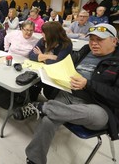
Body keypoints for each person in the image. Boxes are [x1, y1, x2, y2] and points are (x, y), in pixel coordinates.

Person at [21, 23, 119, 164]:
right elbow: (64, 64)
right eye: (91, 39)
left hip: (97, 106)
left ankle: (43, 107)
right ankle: (35, 160)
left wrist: (88, 84)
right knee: (48, 121)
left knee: (99, 117)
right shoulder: (85, 50)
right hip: (69, 94)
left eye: (100, 40)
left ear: (114, 41)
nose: (94, 43)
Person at [21, 21, 73, 101]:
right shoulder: (44, 40)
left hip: (57, 75)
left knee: (48, 92)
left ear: (52, 34)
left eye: (44, 33)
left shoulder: (66, 44)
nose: (42, 34)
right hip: (41, 70)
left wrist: (41, 56)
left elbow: (57, 63)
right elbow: (31, 55)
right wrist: (49, 56)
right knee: (31, 81)